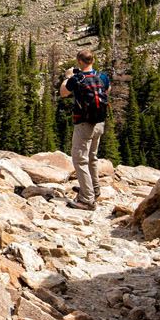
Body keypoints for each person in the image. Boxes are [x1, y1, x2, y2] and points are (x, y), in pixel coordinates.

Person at [60, 49, 111, 209]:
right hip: (100, 123)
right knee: (92, 158)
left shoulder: (77, 78)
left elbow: (63, 93)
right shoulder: (102, 76)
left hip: (84, 123)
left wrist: (68, 76)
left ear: (80, 62)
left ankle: (87, 199)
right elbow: (107, 91)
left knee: (80, 160)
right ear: (93, 60)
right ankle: (94, 190)